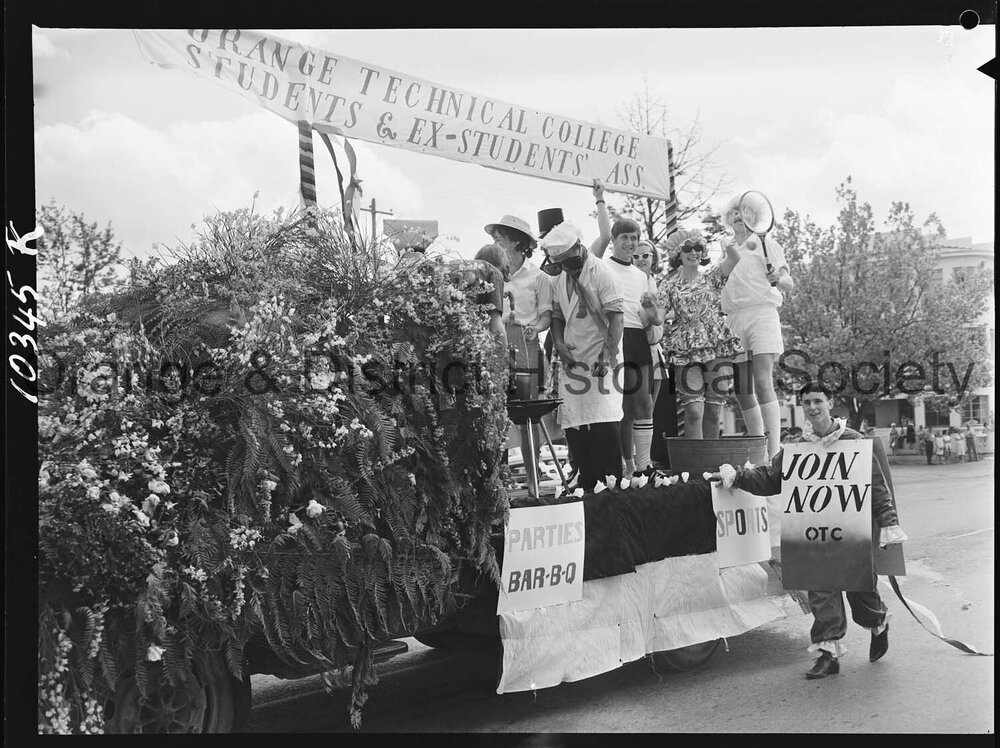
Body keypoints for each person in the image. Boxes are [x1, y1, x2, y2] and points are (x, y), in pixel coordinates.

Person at [715, 382, 907, 679]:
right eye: (807, 402)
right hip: (814, 534)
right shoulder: (797, 447)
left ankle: (877, 624)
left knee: (861, 594)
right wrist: (738, 477)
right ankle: (828, 655)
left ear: (830, 402)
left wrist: (889, 522)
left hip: (852, 534)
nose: (813, 407)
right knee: (821, 590)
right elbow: (771, 479)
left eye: (818, 401)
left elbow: (877, 487)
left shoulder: (854, 441)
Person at [657, 228, 762, 442]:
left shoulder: (712, 277)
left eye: (698, 247)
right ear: (678, 254)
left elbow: (735, 258)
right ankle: (694, 462)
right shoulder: (668, 285)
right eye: (688, 248)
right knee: (694, 411)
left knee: (714, 411)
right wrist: (649, 308)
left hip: (716, 344)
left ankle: (710, 459)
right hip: (685, 347)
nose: (693, 252)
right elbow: (658, 318)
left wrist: (726, 243)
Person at [544, 220, 625, 492]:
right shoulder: (559, 277)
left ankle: (611, 485)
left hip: (603, 356)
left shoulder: (602, 273)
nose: (566, 268)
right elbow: (557, 315)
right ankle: (586, 483)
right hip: (572, 357)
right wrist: (558, 342)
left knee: (604, 421)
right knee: (576, 423)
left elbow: (616, 318)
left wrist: (606, 355)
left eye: (569, 262)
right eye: (560, 264)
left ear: (579, 248)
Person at [719, 193, 795, 459]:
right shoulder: (727, 248)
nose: (738, 217)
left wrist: (778, 278)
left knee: (762, 380)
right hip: (734, 318)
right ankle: (758, 450)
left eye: (744, 212)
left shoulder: (767, 243)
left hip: (762, 313)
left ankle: (774, 451)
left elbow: (788, 283)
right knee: (742, 389)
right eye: (734, 213)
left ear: (753, 217)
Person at [589, 207, 663, 480]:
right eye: (625, 238)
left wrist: (652, 313)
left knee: (643, 404)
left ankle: (644, 466)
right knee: (618, 407)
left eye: (634, 238)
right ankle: (624, 466)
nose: (630, 243)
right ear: (614, 240)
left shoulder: (642, 276)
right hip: (612, 338)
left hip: (637, 338)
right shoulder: (602, 266)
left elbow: (647, 317)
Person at [485, 214, 550, 485]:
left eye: (500, 237)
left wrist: (534, 327)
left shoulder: (539, 276)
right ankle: (498, 482)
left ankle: (534, 479)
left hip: (526, 344)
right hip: (494, 346)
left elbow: (546, 317)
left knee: (528, 417)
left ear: (516, 241)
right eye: (494, 238)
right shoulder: (489, 273)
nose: (495, 242)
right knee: (495, 415)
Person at [632, 238, 669, 430]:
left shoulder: (657, 285)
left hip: (653, 347)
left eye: (645, 255)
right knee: (633, 407)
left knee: (649, 409)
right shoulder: (627, 281)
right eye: (636, 256)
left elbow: (659, 319)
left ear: (653, 258)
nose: (640, 259)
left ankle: (644, 448)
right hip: (634, 347)